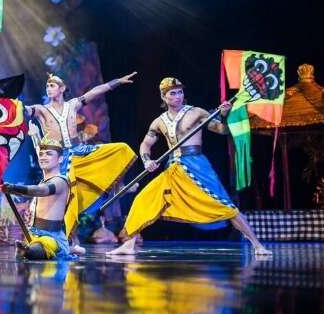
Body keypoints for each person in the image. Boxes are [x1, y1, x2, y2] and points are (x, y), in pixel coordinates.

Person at [107, 77, 271, 255]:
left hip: (196, 166)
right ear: (163, 97)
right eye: (173, 93)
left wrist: (225, 115)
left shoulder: (197, 113)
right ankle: (129, 244)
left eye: (180, 92)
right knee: (143, 199)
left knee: (226, 206)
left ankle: (257, 245)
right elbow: (145, 144)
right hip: (173, 168)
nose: (178, 96)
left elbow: (222, 130)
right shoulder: (159, 121)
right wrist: (147, 160)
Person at [25, 72, 138, 254]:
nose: (49, 88)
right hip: (62, 159)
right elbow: (26, 110)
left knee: (121, 149)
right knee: (70, 199)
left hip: (80, 152)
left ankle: (115, 187)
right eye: (47, 86)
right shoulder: (42, 110)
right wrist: (13, 107)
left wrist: (117, 81)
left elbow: (95, 92)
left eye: (52, 85)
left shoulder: (73, 105)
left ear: (62, 89)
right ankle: (68, 241)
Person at [1, 137, 73, 260]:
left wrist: (14, 187)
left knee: (41, 247)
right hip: (35, 234)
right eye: (41, 154)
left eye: (49, 154)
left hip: (52, 237)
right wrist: (11, 189)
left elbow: (41, 191)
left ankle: (29, 251)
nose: (43, 157)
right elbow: (33, 191)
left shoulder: (61, 181)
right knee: (34, 247)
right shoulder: (43, 181)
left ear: (60, 158)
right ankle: (29, 250)